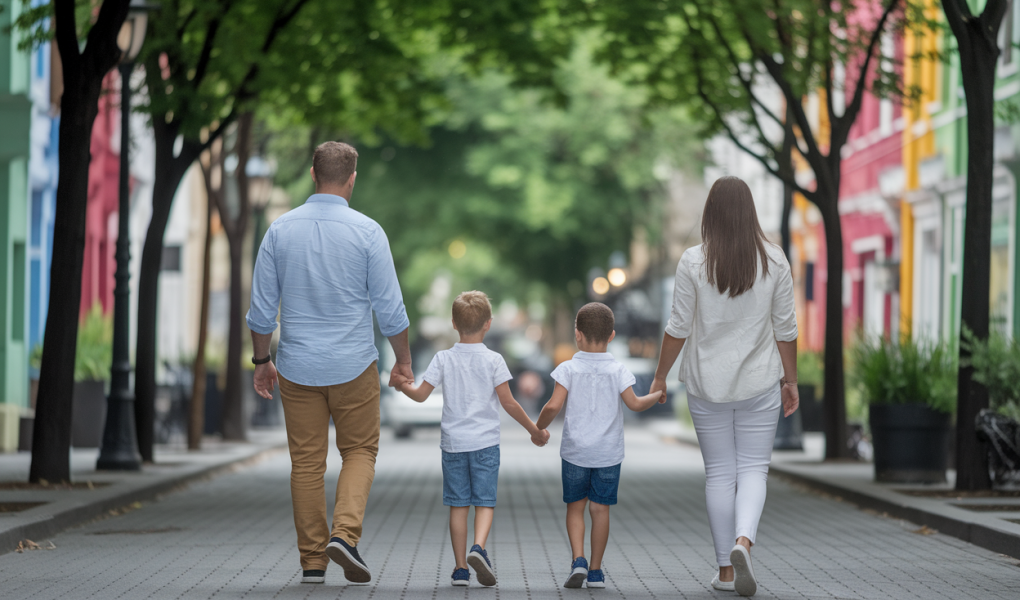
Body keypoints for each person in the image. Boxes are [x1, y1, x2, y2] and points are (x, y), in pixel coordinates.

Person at [246, 142, 414, 586]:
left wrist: (262, 360)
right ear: (352, 178)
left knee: (306, 464)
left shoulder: (279, 231)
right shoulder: (368, 232)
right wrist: (404, 363)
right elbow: (391, 309)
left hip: (298, 366)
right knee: (359, 451)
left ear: (312, 174)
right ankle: (345, 535)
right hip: (354, 365)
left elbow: (261, 311)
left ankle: (313, 562)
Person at [649, 176, 799, 597]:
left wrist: (660, 376)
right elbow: (785, 328)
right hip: (760, 384)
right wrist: (792, 381)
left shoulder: (693, 261)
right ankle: (743, 542)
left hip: (705, 385)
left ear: (710, 213)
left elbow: (677, 327)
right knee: (754, 469)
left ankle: (726, 572)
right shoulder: (775, 259)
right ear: (750, 211)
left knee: (719, 474)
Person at [397, 291, 550, 587]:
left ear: (454, 323)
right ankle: (478, 547)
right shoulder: (494, 360)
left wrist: (401, 385)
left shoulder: (443, 358)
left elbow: (420, 395)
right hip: (485, 444)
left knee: (458, 505)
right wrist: (534, 430)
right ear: (488, 324)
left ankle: (460, 570)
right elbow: (510, 403)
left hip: (453, 444)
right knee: (484, 502)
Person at [535, 302, 665, 590]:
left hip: (575, 452)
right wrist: (656, 394)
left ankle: (577, 559)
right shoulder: (618, 369)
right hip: (608, 453)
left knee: (575, 507)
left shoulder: (567, 368)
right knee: (600, 510)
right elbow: (634, 403)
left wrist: (538, 427)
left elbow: (554, 405)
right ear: (612, 335)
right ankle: (595, 571)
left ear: (577, 334)